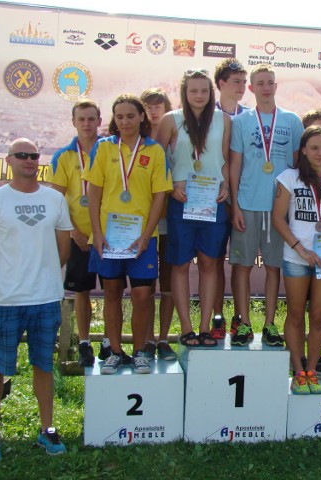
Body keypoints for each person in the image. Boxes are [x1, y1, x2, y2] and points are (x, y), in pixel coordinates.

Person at [0, 138, 73, 461]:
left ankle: (47, 430)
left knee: (43, 364)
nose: (30, 160)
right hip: (6, 301)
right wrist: (4, 280)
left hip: (45, 298)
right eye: (23, 155)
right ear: (10, 160)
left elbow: (64, 250)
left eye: (34, 156)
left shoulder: (55, 200)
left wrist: (40, 277)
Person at [85, 94, 172, 375]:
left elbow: (160, 197)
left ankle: (139, 352)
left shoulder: (154, 151)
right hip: (109, 236)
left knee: (143, 294)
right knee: (111, 291)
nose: (125, 121)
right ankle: (115, 351)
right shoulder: (103, 148)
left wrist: (148, 235)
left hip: (141, 238)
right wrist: (96, 233)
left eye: (130, 116)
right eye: (119, 116)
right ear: (114, 119)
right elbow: (93, 192)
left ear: (142, 117)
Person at [155, 68, 231, 347]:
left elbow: (225, 160)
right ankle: (186, 327)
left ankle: (205, 327)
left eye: (204, 90)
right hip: (182, 202)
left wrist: (226, 187)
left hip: (213, 201)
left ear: (211, 93)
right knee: (181, 263)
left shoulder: (223, 120)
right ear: (184, 94)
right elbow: (156, 159)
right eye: (193, 90)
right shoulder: (170, 120)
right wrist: (169, 186)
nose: (199, 96)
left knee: (210, 262)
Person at [229, 64, 304, 346]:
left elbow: (297, 165)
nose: (265, 87)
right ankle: (244, 323)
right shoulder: (241, 122)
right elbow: (235, 165)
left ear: (276, 85)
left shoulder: (292, 121)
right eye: (259, 83)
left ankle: (270, 324)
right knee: (243, 266)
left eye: (269, 82)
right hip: (247, 204)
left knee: (274, 267)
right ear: (251, 88)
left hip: (279, 208)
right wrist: (234, 206)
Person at [273, 125, 321, 394]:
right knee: (295, 315)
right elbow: (277, 219)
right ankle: (297, 370)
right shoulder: (288, 178)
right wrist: (300, 248)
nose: (319, 153)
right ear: (303, 150)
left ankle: (312, 371)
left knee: (318, 317)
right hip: (296, 256)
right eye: (314, 147)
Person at [47, 99, 111, 367]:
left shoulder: (110, 150)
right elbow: (56, 200)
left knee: (113, 291)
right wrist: (74, 232)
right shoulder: (63, 156)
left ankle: (110, 341)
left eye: (91, 119)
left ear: (99, 121)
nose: (86, 124)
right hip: (79, 236)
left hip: (108, 236)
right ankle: (84, 343)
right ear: (74, 122)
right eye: (81, 119)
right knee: (82, 291)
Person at [210, 59, 249, 338]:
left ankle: (240, 318)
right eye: (236, 81)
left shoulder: (249, 116)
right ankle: (217, 317)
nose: (242, 87)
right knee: (212, 261)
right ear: (221, 84)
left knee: (240, 262)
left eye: (244, 82)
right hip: (212, 198)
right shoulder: (205, 116)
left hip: (242, 200)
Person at [140, 88, 177, 361]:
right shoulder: (134, 141)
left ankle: (163, 338)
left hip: (170, 220)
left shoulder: (177, 137)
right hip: (140, 224)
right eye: (148, 107)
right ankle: (147, 339)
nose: (154, 112)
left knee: (168, 285)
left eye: (158, 106)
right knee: (144, 287)